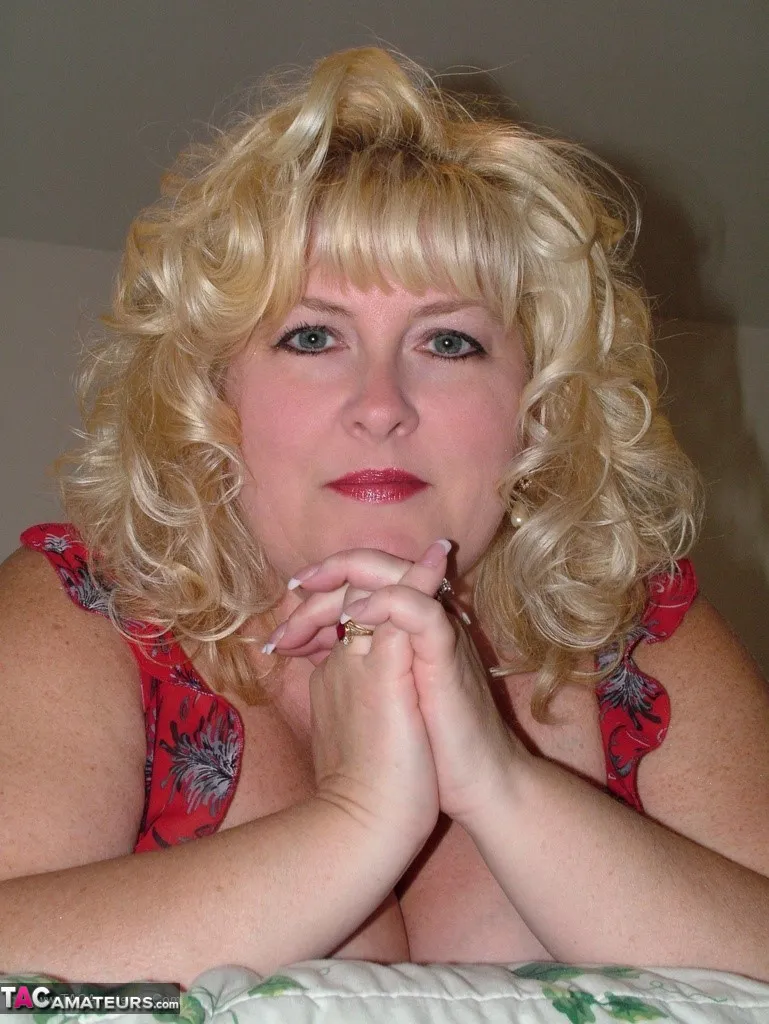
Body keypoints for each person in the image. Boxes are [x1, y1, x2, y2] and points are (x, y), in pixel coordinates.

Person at [2, 45, 769, 986]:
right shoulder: (84, 615)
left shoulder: (640, 635)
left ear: (537, 404)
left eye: (448, 342)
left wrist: (501, 782)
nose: (380, 405)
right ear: (212, 393)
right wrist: (358, 820)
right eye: (311, 336)